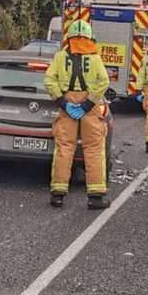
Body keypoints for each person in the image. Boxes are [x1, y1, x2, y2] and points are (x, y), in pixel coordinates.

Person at [44, 19, 111, 209]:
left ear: (69, 37)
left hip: (67, 103)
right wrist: (88, 103)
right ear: (90, 37)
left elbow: (49, 80)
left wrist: (62, 102)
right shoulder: (95, 58)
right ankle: (96, 197)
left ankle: (58, 194)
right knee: (94, 149)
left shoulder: (59, 57)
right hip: (89, 106)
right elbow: (103, 82)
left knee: (64, 148)